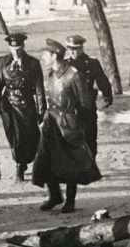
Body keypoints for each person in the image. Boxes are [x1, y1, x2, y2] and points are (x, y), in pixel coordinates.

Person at [32, 39, 101, 213]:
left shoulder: (73, 75)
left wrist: (83, 128)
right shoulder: (51, 74)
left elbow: (86, 104)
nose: (42, 57)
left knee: (71, 162)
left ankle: (70, 200)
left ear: (54, 56)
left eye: (45, 54)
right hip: (51, 123)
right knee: (45, 159)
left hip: (68, 124)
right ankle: (54, 195)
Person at [0, 32, 44, 181]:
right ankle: (19, 165)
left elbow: (39, 89)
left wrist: (41, 109)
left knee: (31, 136)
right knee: (14, 137)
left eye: (19, 49)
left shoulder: (33, 63)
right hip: (9, 106)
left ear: (23, 47)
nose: (17, 52)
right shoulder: (2, 62)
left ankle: (27, 161)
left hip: (27, 105)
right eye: (14, 50)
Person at [64, 34, 112, 157]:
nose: (74, 52)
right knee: (72, 137)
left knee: (90, 135)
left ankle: (91, 162)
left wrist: (107, 96)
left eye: (77, 49)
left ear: (82, 48)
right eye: (71, 49)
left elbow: (102, 80)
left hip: (87, 104)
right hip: (70, 106)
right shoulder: (64, 65)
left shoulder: (91, 63)